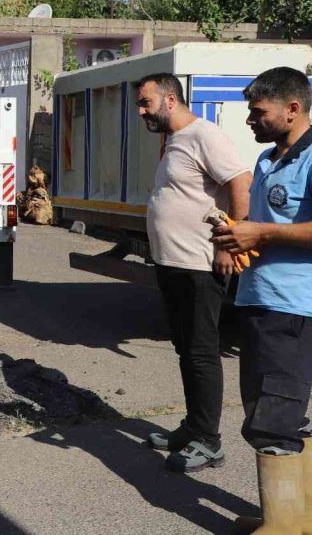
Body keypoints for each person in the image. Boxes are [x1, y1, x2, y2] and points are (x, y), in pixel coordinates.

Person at [133, 72, 251, 472]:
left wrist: (229, 241)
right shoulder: (175, 141)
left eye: (145, 102)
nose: (141, 110)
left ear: (170, 99)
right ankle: (193, 427)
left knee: (201, 352)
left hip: (201, 264)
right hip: (173, 263)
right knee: (186, 349)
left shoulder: (205, 135)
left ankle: (209, 441)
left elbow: (240, 182)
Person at [211, 66, 312, 531]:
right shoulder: (270, 158)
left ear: (293, 109)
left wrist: (262, 230)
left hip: (293, 308)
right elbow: (267, 230)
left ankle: (287, 526)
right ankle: (289, 516)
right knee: (270, 409)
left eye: (258, 113)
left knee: (274, 416)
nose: (250, 121)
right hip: (260, 301)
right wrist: (235, 236)